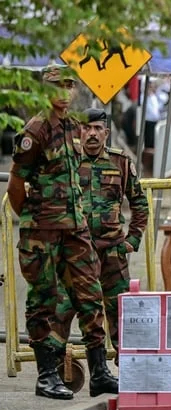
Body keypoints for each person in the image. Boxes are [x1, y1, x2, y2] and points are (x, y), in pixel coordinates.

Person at [5, 64, 116, 399]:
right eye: (58, 85)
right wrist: (33, 219)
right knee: (43, 302)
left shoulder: (73, 126)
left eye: (69, 86)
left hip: (75, 229)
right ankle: (46, 376)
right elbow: (15, 184)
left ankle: (99, 372)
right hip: (42, 232)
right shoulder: (35, 130)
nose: (65, 92)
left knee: (90, 295)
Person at [55, 108, 148, 371]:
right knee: (63, 309)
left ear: (106, 133)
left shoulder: (120, 162)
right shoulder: (67, 162)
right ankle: (54, 368)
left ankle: (129, 368)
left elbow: (140, 203)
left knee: (121, 313)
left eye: (97, 129)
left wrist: (132, 241)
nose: (92, 134)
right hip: (75, 254)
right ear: (78, 132)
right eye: (87, 128)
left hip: (112, 253)